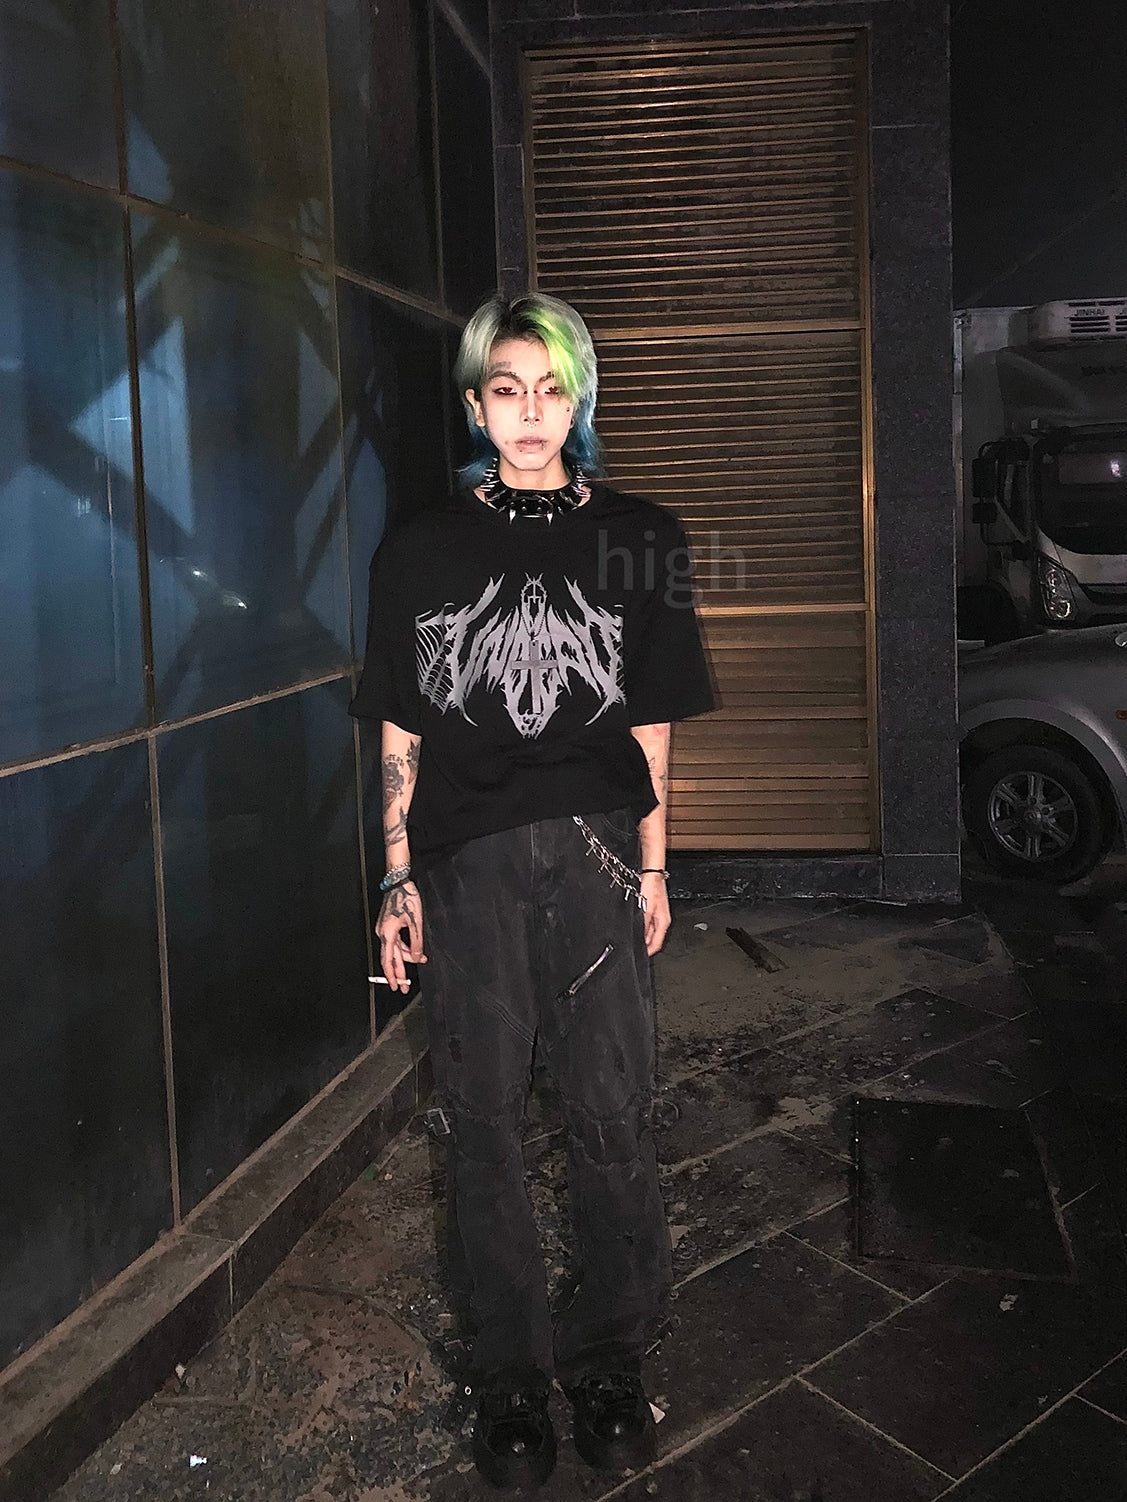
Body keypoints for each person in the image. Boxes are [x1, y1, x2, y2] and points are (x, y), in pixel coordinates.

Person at [350, 292, 715, 1490]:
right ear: (475, 405)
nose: (528, 411)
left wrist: (653, 865)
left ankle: (609, 1355)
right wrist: (395, 873)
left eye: (550, 387)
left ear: (578, 400)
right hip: (468, 863)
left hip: (598, 851)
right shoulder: (419, 547)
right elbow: (399, 726)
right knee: (484, 1121)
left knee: (612, 1109)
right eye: (505, 388)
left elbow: (651, 723)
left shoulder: (640, 536)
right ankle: (510, 1370)